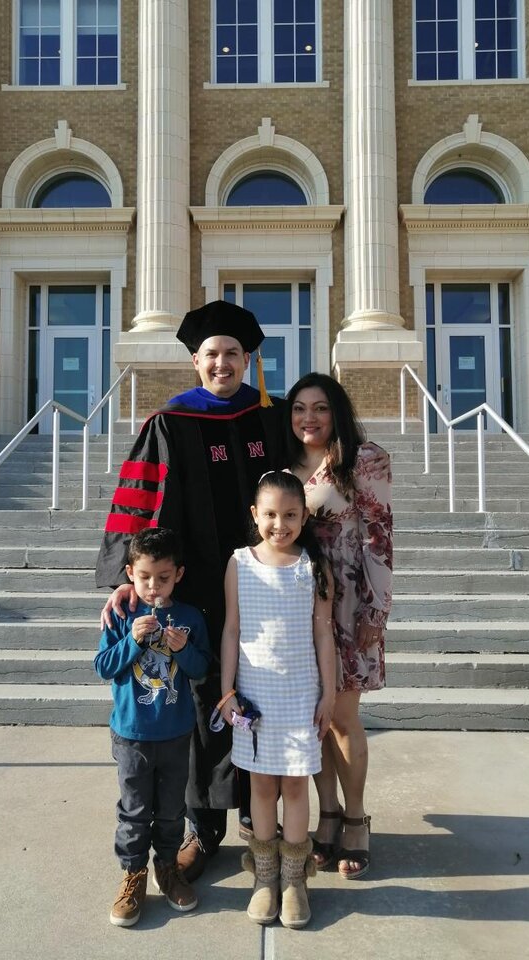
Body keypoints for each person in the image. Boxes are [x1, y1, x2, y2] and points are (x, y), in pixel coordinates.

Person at [96, 300, 286, 879]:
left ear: (247, 358)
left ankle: (263, 827)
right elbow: (141, 508)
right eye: (211, 355)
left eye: (232, 354)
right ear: (196, 362)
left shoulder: (272, 418)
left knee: (265, 697)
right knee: (203, 704)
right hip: (195, 590)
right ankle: (203, 831)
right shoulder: (171, 422)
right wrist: (126, 582)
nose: (222, 364)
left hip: (264, 586)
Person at [286, 372, 393, 881]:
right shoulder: (283, 466)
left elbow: (379, 537)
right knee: (316, 717)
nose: (309, 418)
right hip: (298, 605)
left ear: (338, 413)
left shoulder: (364, 459)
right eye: (300, 408)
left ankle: (355, 818)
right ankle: (325, 814)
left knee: (344, 716)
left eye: (321, 408)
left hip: (349, 604)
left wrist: (377, 609)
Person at [219, 471, 336, 929]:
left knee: (295, 786)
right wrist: (227, 691)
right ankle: (264, 877)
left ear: (304, 517)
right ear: (255, 514)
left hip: (301, 695)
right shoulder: (239, 563)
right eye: (270, 514)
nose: (280, 524)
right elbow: (231, 629)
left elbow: (323, 634)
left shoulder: (313, 567)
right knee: (262, 787)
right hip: (254, 698)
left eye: (290, 515)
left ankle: (294, 879)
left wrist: (328, 693)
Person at [94, 527, 211, 927]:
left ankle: (167, 868)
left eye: (162, 578)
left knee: (171, 809)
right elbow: (103, 667)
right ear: (130, 573)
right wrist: (131, 641)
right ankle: (132, 874)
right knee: (134, 809)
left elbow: (201, 670)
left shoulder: (190, 617)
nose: (153, 586)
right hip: (131, 733)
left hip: (176, 732)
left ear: (178, 574)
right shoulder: (121, 614)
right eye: (144, 577)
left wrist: (183, 648)